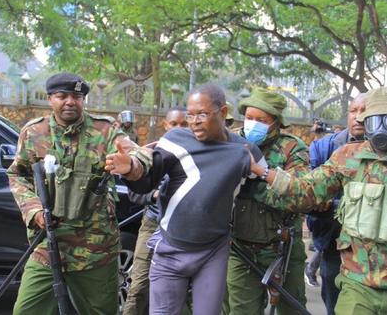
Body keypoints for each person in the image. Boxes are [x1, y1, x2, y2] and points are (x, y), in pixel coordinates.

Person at [251, 87, 387, 315]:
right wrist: (261, 171)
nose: (380, 128)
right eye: (372, 121)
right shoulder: (349, 157)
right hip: (358, 287)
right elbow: (305, 191)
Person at [105, 83, 267, 315]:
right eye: (190, 115)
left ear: (222, 113)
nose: (194, 121)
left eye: (202, 114)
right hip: (170, 248)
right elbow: (148, 176)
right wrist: (131, 168)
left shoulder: (244, 151)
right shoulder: (176, 140)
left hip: (213, 251)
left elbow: (261, 190)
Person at [7, 72, 132, 315]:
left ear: (83, 99)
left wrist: (133, 164)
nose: (70, 102)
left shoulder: (104, 130)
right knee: (26, 311)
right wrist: (34, 211)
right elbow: (17, 175)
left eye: (76, 96)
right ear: (50, 98)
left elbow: (135, 153)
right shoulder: (34, 133)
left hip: (96, 251)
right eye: (62, 96)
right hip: (48, 244)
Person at [225, 88, 309, 315]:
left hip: (281, 249)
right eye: (250, 118)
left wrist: (255, 181)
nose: (253, 124)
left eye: (261, 120)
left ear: (276, 122)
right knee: (240, 310)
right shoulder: (231, 140)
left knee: (291, 309)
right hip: (239, 247)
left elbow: (298, 196)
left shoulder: (293, 148)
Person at [123, 106, 188, 315]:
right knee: (139, 285)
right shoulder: (151, 152)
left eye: (184, 124)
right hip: (153, 223)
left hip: (184, 229)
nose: (179, 128)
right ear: (165, 125)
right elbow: (133, 193)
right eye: (174, 124)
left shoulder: (195, 155)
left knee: (183, 291)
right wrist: (153, 195)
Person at [304, 94, 366, 314]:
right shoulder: (323, 147)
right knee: (332, 295)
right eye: (353, 111)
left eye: (364, 110)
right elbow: (308, 188)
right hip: (332, 238)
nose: (358, 117)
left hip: (371, 248)